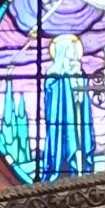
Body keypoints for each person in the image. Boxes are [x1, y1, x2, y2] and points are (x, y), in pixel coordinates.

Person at [40, 30, 94, 180]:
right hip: (61, 123)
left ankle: (81, 173)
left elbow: (82, 97)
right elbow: (53, 98)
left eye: (75, 49)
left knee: (80, 143)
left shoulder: (78, 71)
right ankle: (61, 173)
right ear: (62, 51)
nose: (74, 52)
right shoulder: (53, 74)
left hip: (77, 117)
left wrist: (77, 79)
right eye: (71, 49)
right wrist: (67, 81)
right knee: (64, 145)